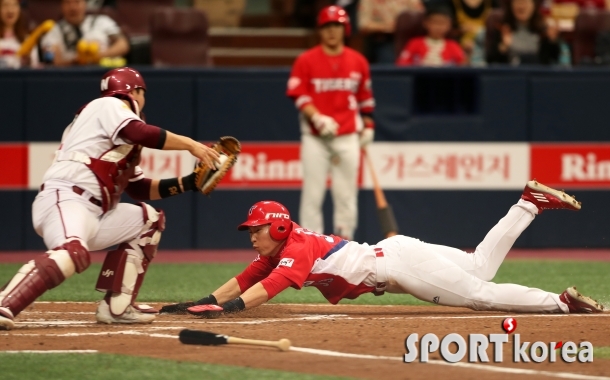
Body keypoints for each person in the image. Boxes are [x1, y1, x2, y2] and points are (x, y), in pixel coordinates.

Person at [160, 180, 606, 317]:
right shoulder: (278, 248)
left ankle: (561, 304)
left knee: (478, 294)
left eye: (256, 229)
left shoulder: (294, 245)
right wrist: (199, 303)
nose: (251, 236)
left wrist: (230, 309)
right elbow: (245, 279)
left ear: (277, 226)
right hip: (395, 253)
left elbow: (271, 286)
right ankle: (528, 204)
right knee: (479, 266)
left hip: (397, 264)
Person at [0, 67, 221, 330]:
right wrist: (191, 144)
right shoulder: (107, 105)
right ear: (134, 92)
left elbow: (138, 189)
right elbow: (140, 132)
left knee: (148, 220)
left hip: (95, 213)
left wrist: (188, 183)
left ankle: (117, 307)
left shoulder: (118, 134)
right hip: (67, 198)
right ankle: (5, 303)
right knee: (71, 253)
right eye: (141, 93)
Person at [286, 5, 375, 241]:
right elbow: (299, 95)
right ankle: (310, 246)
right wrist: (317, 117)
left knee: (346, 195)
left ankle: (345, 245)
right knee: (312, 195)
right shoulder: (306, 60)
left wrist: (368, 127)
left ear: (345, 28)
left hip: (347, 135)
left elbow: (365, 99)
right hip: (315, 137)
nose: (332, 31)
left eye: (336, 25)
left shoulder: (358, 61)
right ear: (320, 30)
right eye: (327, 26)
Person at [40, 0, 128, 66]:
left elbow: (123, 45)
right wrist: (75, 61)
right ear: (61, 7)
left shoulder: (102, 21)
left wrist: (98, 56)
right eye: (67, 3)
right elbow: (53, 61)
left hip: (103, 72)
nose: (73, 8)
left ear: (85, 5)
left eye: (77, 2)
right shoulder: (53, 30)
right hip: (71, 76)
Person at [486, 0, 561, 65]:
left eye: (525, 2)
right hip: (510, 76)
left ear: (534, 5)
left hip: (536, 77)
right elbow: (490, 60)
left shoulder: (544, 31)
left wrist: (552, 41)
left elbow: (554, 59)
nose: (521, 7)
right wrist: (504, 46)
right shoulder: (502, 28)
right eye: (518, 2)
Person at [357, 0, 423, 63]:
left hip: (410, 37)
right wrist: (389, 27)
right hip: (383, 39)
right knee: (389, 60)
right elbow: (364, 25)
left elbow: (422, 17)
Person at [396, 6, 465, 66]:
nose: (438, 27)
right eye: (435, 22)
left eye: (442, 23)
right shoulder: (415, 43)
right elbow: (402, 64)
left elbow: (463, 66)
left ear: (449, 25)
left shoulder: (453, 45)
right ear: (426, 23)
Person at [0, 0, 38, 68]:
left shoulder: (28, 40)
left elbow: (35, 69)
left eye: (14, 5)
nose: (10, 10)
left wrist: (28, 62)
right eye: (5, 5)